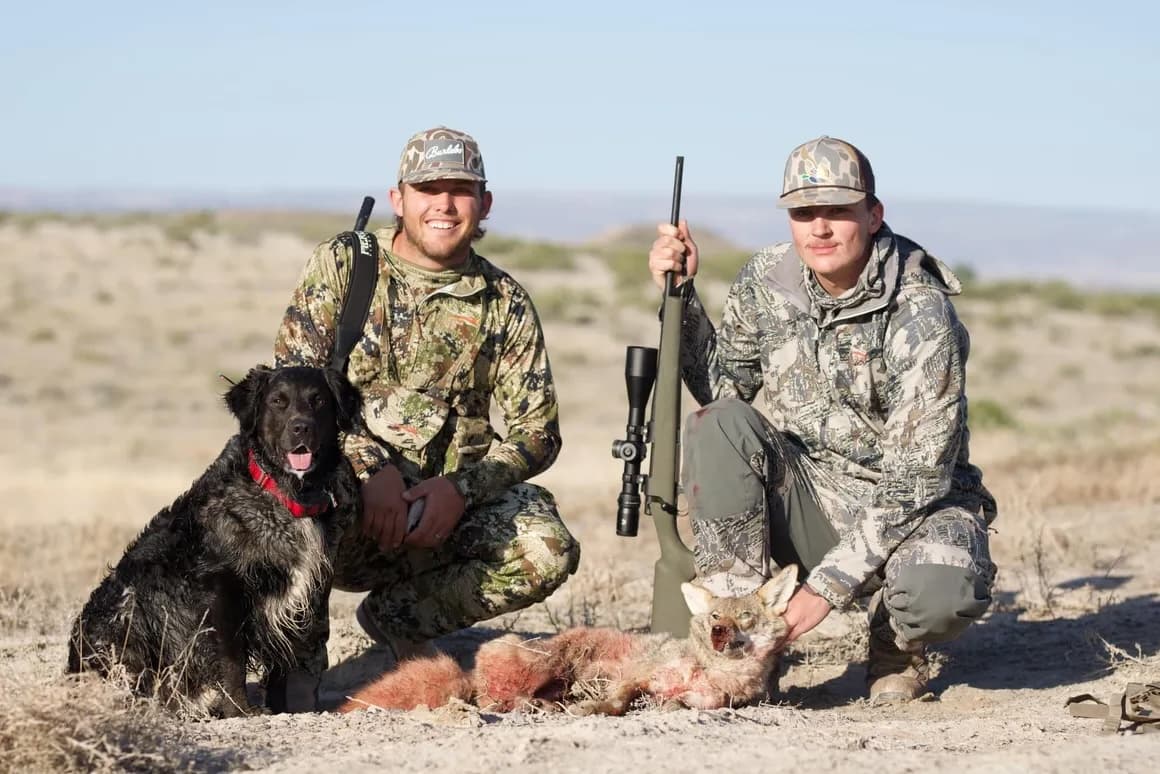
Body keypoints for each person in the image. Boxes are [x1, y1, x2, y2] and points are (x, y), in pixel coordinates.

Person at [646, 136, 997, 703]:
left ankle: (892, 647)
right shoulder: (764, 279)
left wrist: (825, 590)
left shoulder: (922, 308)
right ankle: (743, 646)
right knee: (717, 424)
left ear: (874, 214)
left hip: (917, 506)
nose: (820, 228)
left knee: (942, 590)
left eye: (838, 211)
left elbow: (916, 479)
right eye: (804, 213)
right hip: (814, 494)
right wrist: (681, 299)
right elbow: (724, 395)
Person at [272, 126, 580, 709]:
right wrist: (368, 470)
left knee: (547, 546)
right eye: (428, 189)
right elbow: (291, 390)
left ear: (483, 203)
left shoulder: (503, 301)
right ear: (399, 199)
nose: (444, 205)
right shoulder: (345, 265)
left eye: (460, 190)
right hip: (341, 507)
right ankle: (296, 665)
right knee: (283, 491)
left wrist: (460, 490)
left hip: (437, 518)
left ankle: (399, 618)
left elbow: (538, 431)